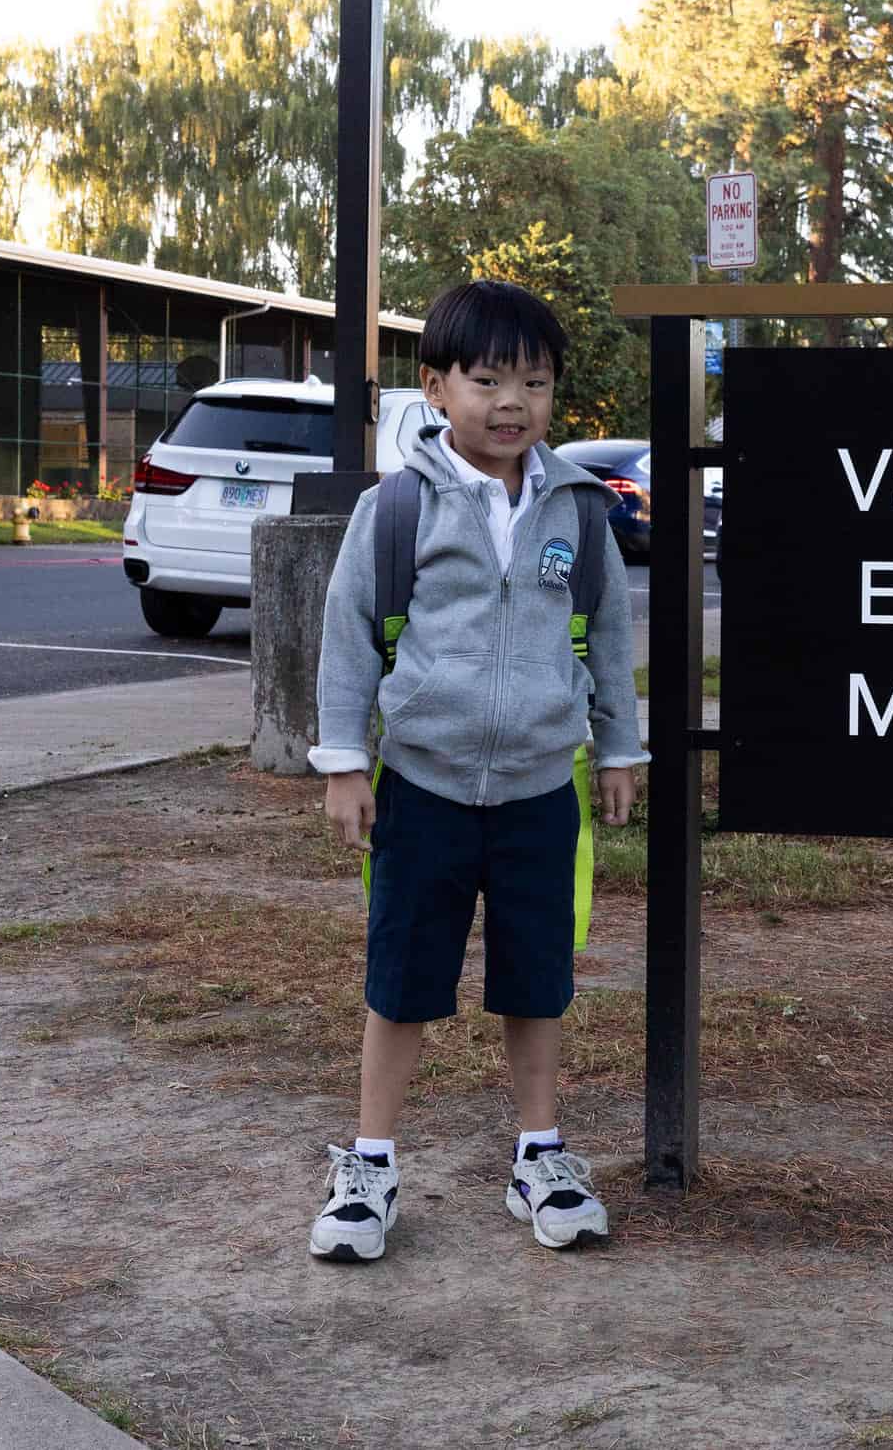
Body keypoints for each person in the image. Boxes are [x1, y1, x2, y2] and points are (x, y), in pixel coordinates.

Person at [305, 280, 647, 1261]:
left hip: (544, 789)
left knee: (536, 980)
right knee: (403, 978)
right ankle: (369, 1165)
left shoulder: (577, 509)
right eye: (487, 378)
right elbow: (348, 637)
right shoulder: (399, 506)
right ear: (435, 387)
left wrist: (617, 746)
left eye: (534, 382)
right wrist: (343, 760)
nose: (511, 402)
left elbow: (609, 637)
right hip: (423, 786)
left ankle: (540, 1153)